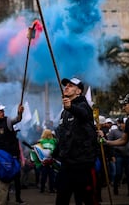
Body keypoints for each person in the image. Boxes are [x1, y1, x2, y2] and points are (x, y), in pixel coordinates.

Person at [54, 77, 99, 205]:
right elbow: (64, 137)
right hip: (67, 165)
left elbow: (83, 114)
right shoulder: (65, 112)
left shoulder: (84, 106)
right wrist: (53, 155)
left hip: (82, 165)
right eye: (66, 85)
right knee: (61, 199)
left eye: (71, 86)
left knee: (87, 200)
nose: (66, 87)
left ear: (79, 91)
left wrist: (70, 107)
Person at [0, 100, 24, 205]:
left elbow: (17, 119)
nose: (2, 112)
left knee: (4, 183)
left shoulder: (7, 121)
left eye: (3, 110)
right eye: (0, 110)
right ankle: (5, 199)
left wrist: (20, 113)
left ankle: (2, 203)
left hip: (6, 158)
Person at [107, 118, 129, 196]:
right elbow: (108, 144)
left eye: (123, 123)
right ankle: (115, 187)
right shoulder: (114, 132)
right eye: (120, 123)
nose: (121, 125)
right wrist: (112, 155)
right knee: (118, 173)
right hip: (118, 156)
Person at [33, 128, 57, 193]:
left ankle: (43, 189)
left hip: (44, 161)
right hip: (50, 161)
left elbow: (36, 149)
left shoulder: (41, 141)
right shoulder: (54, 141)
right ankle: (50, 189)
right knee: (50, 176)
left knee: (45, 176)